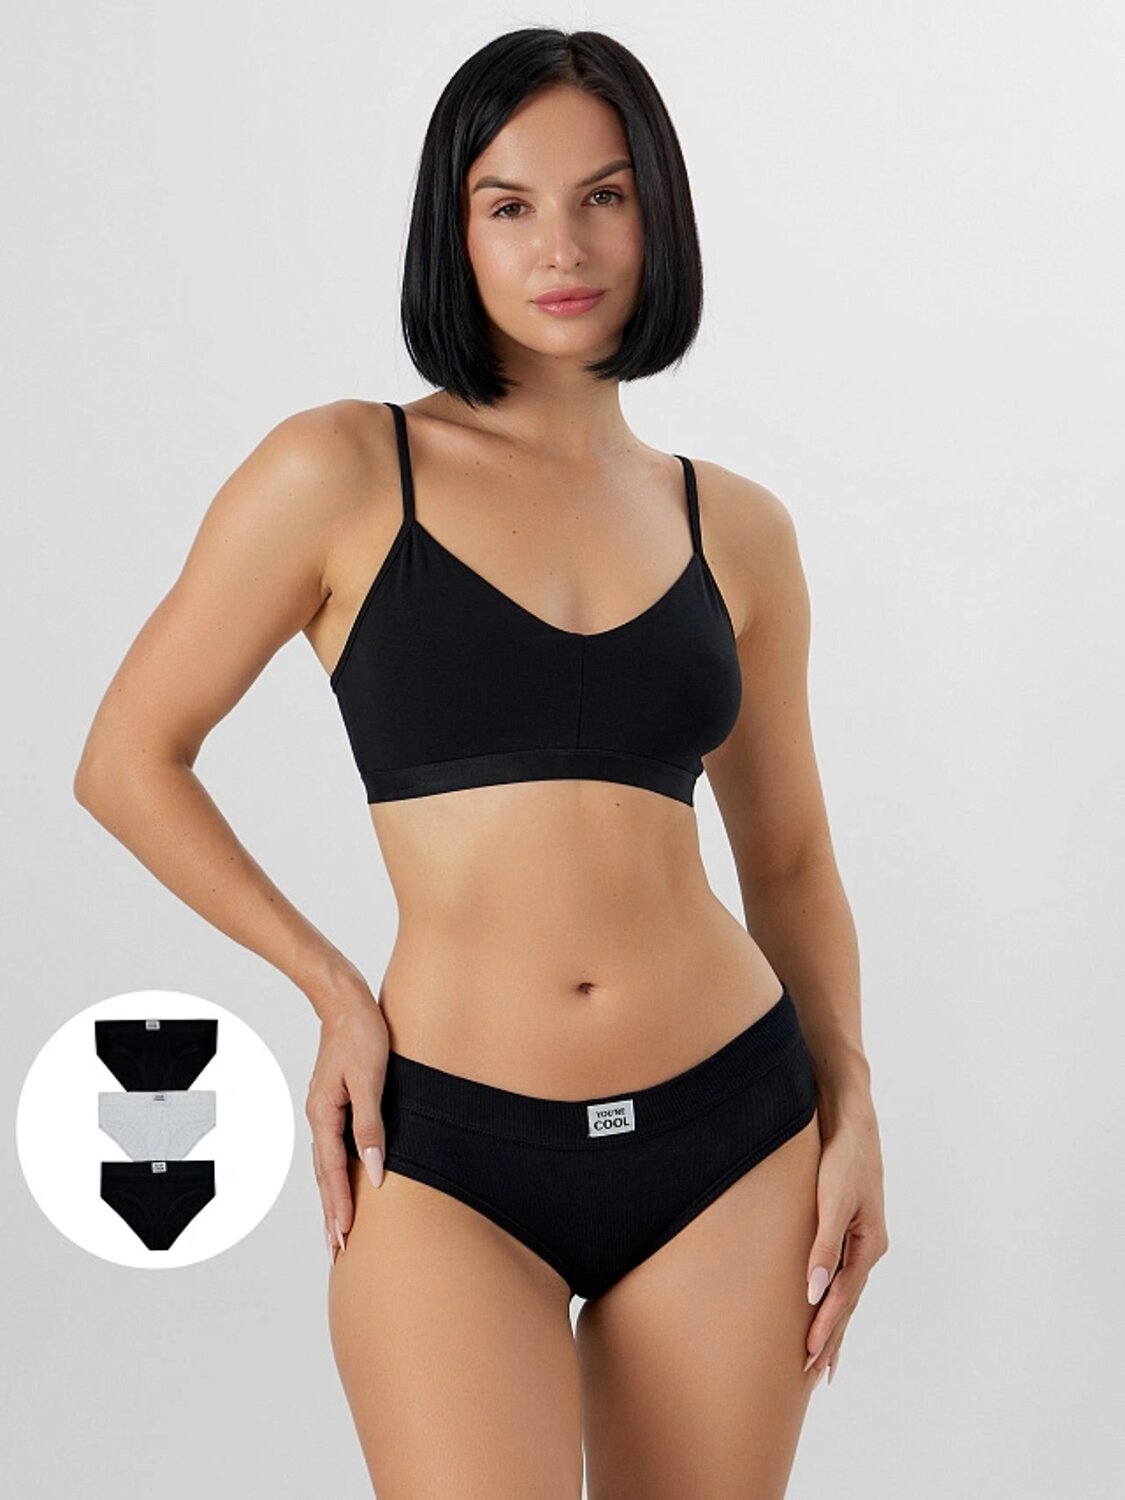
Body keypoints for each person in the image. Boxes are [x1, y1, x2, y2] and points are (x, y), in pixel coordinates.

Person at [74, 26, 888, 1499]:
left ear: (658, 214)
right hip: (444, 1138)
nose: (560, 247)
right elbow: (130, 758)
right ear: (451, 230)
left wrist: (854, 1108)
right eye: (507, 205)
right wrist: (331, 988)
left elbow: (786, 857)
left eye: (604, 196)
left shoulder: (737, 527)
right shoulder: (339, 470)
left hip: (731, 1130)